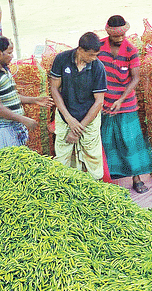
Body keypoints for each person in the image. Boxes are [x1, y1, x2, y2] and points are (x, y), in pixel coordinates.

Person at [98, 15, 152, 193]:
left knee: (131, 142)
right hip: (105, 103)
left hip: (126, 104)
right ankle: (109, 179)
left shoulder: (130, 50)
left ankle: (137, 179)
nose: (120, 39)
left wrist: (120, 100)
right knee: (107, 141)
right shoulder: (99, 47)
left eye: (122, 36)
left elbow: (135, 78)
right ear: (109, 34)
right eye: (116, 37)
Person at [0, 36, 53, 155]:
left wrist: (34, 100)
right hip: (2, 129)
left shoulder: (4, 69)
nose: (12, 56)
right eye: (9, 53)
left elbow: (11, 95)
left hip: (13, 126)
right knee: (5, 164)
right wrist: (23, 119)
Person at [49, 32, 107, 180]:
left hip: (89, 118)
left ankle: (97, 189)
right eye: (92, 55)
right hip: (65, 115)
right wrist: (69, 120)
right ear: (80, 50)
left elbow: (99, 102)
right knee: (62, 157)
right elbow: (54, 89)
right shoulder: (62, 60)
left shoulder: (98, 67)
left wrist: (77, 129)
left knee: (92, 156)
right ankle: (64, 190)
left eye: (96, 55)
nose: (94, 58)